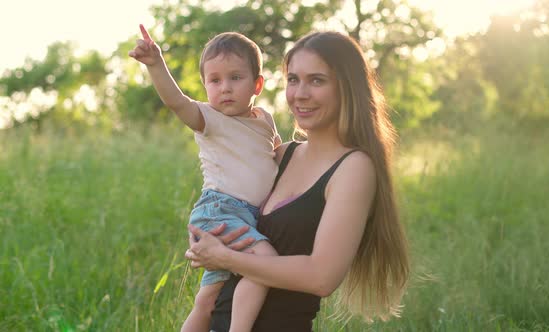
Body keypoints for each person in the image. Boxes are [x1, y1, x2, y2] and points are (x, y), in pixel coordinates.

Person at [185, 31, 410, 331]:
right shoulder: (282, 154)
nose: (300, 93)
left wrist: (224, 257)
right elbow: (230, 197)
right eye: (293, 80)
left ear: (346, 88)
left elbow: (321, 277)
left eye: (317, 80)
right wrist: (205, 235)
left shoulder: (354, 168)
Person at [128, 25, 281, 332]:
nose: (225, 87)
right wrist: (156, 65)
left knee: (208, 300)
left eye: (235, 78)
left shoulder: (264, 119)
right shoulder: (209, 119)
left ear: (257, 84)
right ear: (205, 85)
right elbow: (176, 101)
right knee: (265, 263)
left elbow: (275, 156)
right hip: (221, 212)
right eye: (215, 80)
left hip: (246, 216)